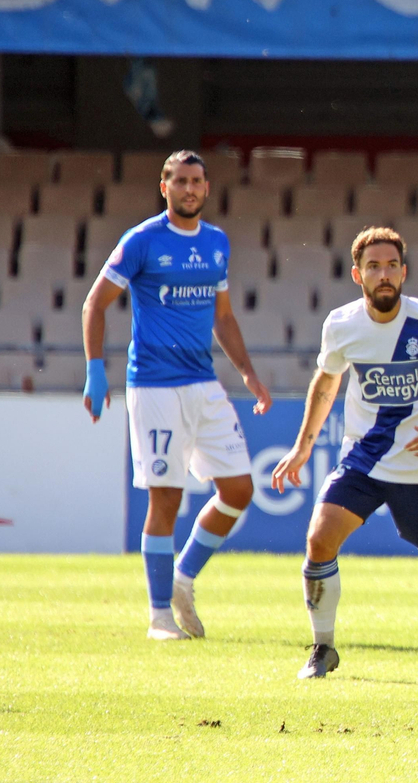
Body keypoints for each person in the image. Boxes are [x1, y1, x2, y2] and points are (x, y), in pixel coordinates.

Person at [271, 227, 418, 681]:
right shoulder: (341, 325)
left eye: (392, 265)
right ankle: (323, 648)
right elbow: (326, 383)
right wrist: (302, 447)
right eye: (374, 266)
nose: (384, 274)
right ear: (358, 275)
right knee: (319, 540)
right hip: (363, 460)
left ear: (404, 272)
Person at [81, 150, 271, 641]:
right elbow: (95, 303)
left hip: (204, 384)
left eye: (197, 181)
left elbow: (223, 316)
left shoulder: (216, 243)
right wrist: (96, 371)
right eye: (180, 181)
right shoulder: (142, 241)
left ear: (208, 189)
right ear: (163, 187)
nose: (189, 189)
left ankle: (183, 578)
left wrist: (247, 371)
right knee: (166, 499)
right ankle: (160, 616)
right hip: (155, 387)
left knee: (239, 489)